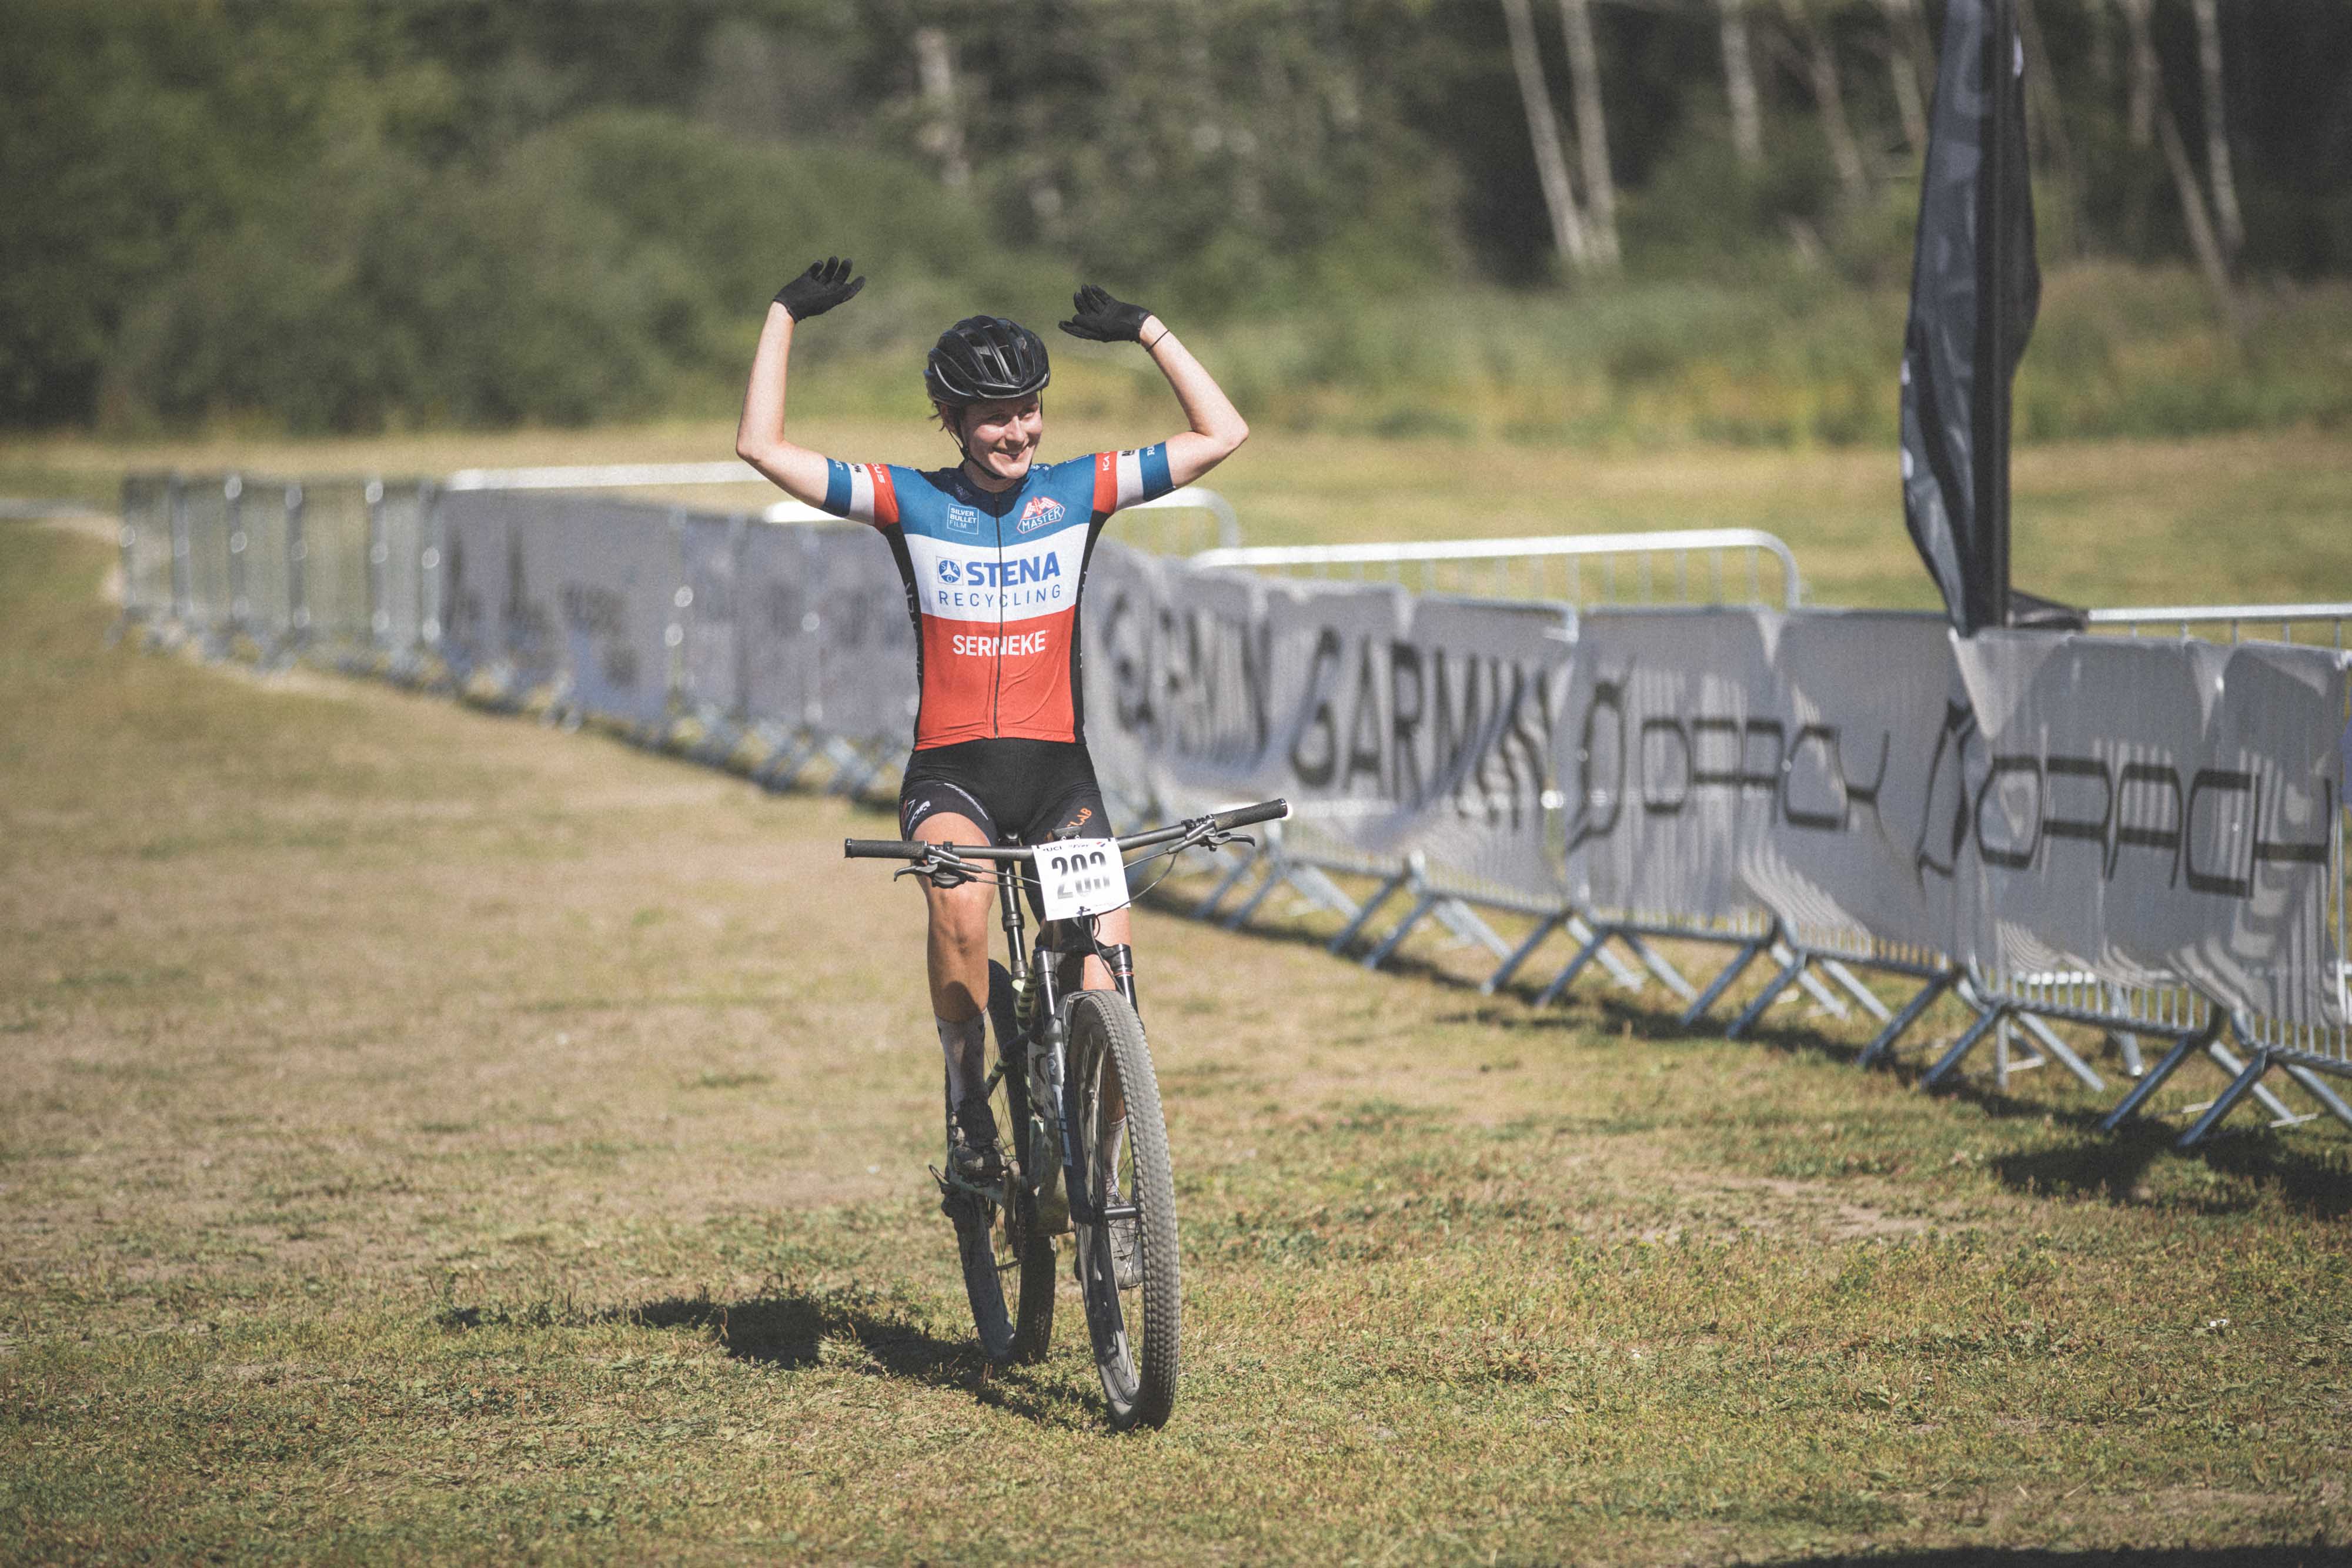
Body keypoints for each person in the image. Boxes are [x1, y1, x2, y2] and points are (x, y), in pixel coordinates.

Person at [735, 256, 1248, 1185]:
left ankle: (1110, 1191)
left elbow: (1224, 432)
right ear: (952, 420)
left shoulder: (1082, 490)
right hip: (953, 778)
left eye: (1029, 409)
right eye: (993, 416)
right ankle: (971, 1108)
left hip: (1059, 780)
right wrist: (783, 315)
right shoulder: (911, 501)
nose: (1016, 431)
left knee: (1110, 977)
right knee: (963, 912)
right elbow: (762, 448)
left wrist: (1148, 330)